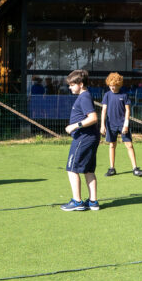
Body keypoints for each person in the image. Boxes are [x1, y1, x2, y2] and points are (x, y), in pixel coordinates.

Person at [61, 69, 100, 211]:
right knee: (88, 170)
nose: (70, 87)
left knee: (72, 169)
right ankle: (93, 202)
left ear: (81, 84)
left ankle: (77, 202)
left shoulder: (84, 97)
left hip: (84, 138)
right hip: (89, 137)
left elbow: (93, 118)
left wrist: (73, 126)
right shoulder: (85, 96)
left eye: (72, 85)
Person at [100, 72, 142, 177]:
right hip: (110, 125)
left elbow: (128, 111)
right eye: (111, 85)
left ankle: (135, 168)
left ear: (119, 84)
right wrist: (102, 125)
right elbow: (104, 110)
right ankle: (112, 168)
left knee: (129, 145)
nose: (112, 87)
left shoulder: (124, 95)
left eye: (114, 85)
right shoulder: (107, 95)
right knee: (112, 145)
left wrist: (126, 124)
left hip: (122, 124)